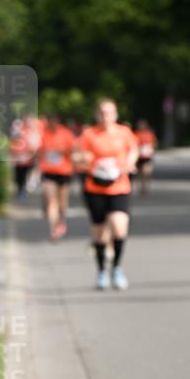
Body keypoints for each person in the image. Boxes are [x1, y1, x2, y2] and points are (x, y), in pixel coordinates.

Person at [76, 98, 139, 290]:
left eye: (109, 112)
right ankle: (102, 271)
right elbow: (76, 156)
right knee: (100, 233)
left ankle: (117, 268)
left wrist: (129, 163)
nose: (106, 116)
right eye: (102, 113)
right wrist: (84, 159)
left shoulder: (124, 132)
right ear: (97, 115)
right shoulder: (89, 134)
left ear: (116, 114)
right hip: (95, 187)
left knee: (120, 228)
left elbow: (133, 150)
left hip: (119, 186)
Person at [38, 115, 76, 240]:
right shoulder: (44, 134)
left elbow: (73, 150)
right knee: (51, 201)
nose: (52, 124)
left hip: (64, 172)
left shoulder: (66, 134)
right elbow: (39, 152)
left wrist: (63, 151)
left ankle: (62, 220)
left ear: (58, 122)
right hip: (48, 172)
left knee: (62, 202)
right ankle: (54, 228)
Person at [9, 114, 41, 199]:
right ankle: (20, 190)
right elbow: (14, 142)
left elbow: (36, 145)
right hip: (19, 157)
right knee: (19, 175)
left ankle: (27, 187)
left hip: (29, 157)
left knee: (29, 172)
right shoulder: (18, 130)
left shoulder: (34, 132)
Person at [134, 119, 158, 194]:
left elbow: (154, 143)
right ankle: (141, 187)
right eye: (140, 124)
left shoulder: (149, 133)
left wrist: (151, 150)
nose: (141, 126)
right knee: (140, 173)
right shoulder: (136, 134)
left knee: (146, 172)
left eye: (142, 124)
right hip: (139, 157)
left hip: (148, 156)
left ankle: (146, 187)